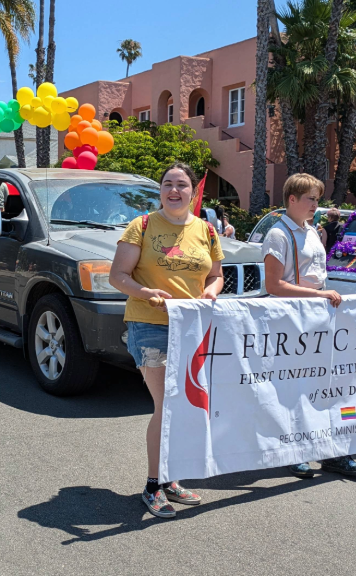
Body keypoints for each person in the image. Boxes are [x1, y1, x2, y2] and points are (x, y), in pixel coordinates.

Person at [109, 162, 224, 519]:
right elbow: (118, 276)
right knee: (167, 405)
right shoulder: (141, 226)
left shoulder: (206, 229)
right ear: (160, 190)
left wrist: (210, 293)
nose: (174, 190)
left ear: (193, 191)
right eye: (167, 184)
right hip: (151, 324)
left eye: (182, 185)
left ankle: (170, 478)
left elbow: (217, 276)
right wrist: (146, 293)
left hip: (192, 328)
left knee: (184, 407)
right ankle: (153, 484)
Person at [261, 174, 356, 477]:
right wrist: (318, 294)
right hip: (292, 320)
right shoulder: (279, 235)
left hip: (318, 317)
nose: (315, 205)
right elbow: (274, 284)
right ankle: (291, 449)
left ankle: (332, 452)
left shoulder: (311, 231)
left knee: (326, 386)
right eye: (310, 199)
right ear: (291, 199)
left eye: (317, 199)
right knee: (293, 389)